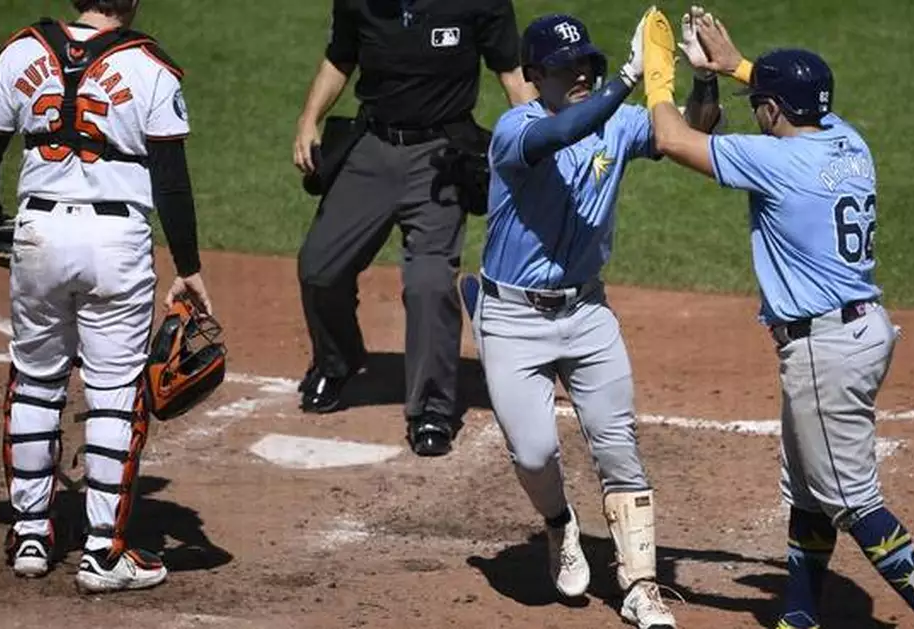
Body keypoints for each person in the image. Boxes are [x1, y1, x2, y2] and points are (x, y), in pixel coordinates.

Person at [642, 8, 914, 629]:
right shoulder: (850, 143)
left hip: (825, 350)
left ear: (773, 110)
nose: (753, 114)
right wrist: (737, 65)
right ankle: (799, 615)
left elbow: (671, 139)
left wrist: (658, 78)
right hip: (859, 331)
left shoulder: (774, 163)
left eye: (757, 103)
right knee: (807, 491)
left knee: (853, 501)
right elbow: (796, 105)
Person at [465, 8, 720, 628]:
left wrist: (706, 79)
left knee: (618, 447)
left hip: (585, 311)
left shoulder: (618, 122)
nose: (580, 74)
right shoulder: (515, 128)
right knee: (532, 454)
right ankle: (560, 524)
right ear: (532, 75)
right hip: (512, 317)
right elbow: (562, 133)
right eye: (564, 68)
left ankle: (640, 588)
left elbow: (689, 131)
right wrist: (627, 80)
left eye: (587, 65)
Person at [0, 0, 211, 594]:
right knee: (115, 392)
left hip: (39, 233)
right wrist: (190, 267)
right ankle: (103, 553)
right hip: (115, 241)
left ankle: (30, 535)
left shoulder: (21, 49)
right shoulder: (152, 66)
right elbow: (171, 181)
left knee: (36, 377)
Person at [291, 0, 535, 457]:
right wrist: (309, 119)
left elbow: (513, 76)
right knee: (319, 268)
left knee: (428, 282)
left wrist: (540, 143)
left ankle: (432, 409)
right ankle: (337, 360)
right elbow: (339, 57)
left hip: (441, 156)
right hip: (372, 148)